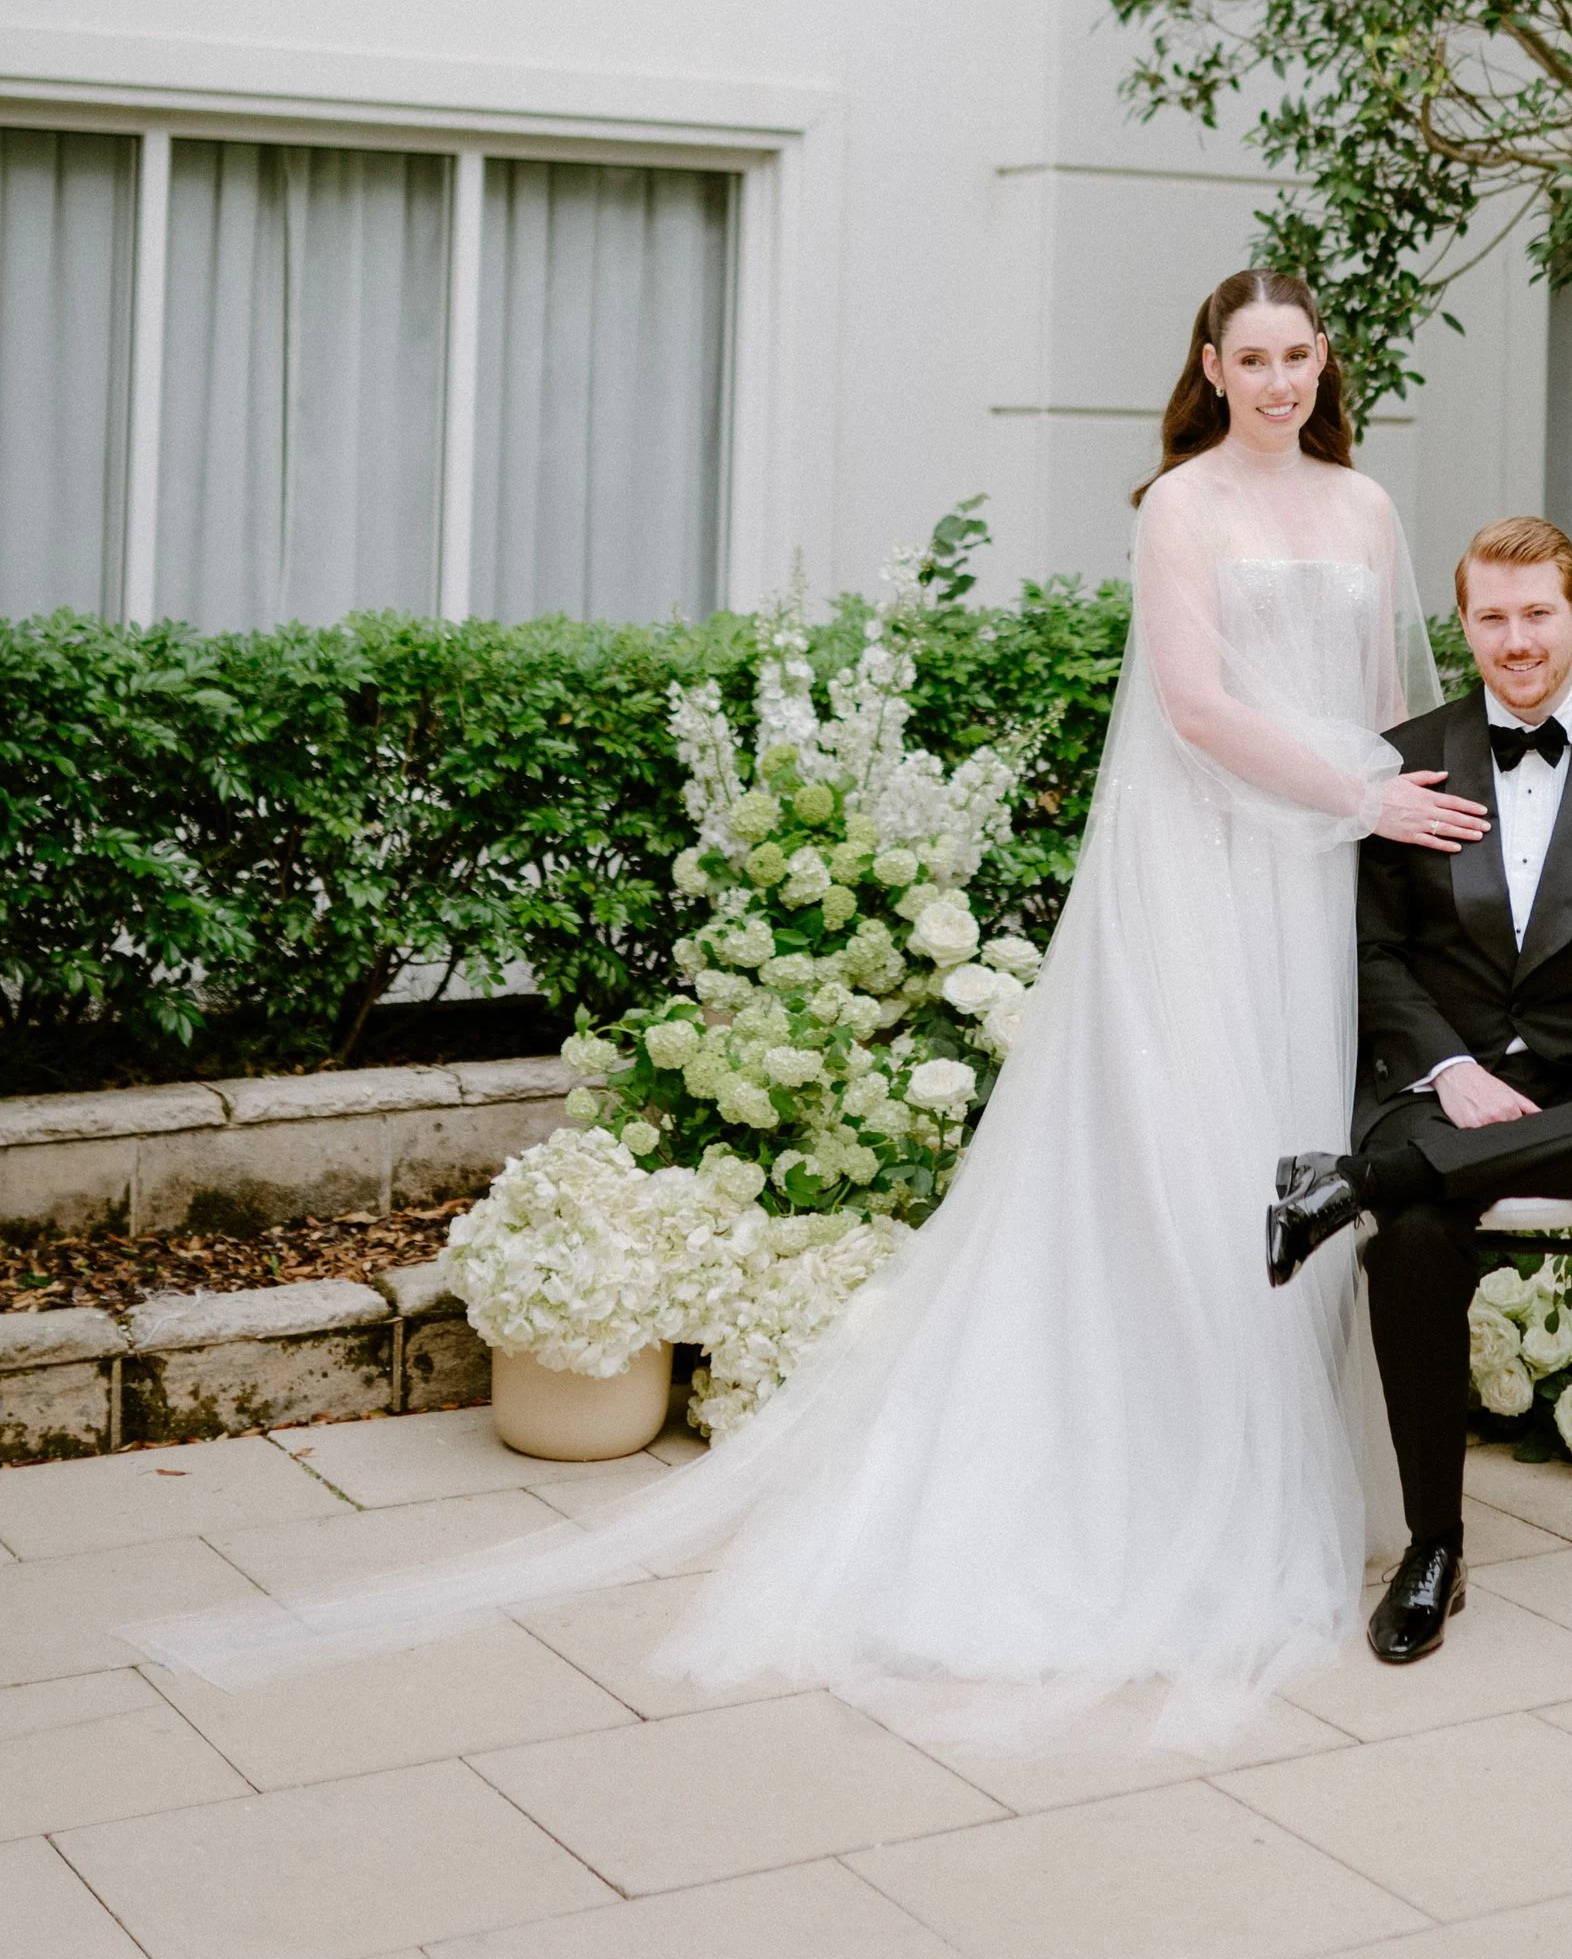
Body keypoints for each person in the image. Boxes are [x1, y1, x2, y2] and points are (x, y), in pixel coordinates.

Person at [151, 269, 1474, 1753]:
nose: (1281, 380)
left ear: (1323, 366)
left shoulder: (1363, 509)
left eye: (1302, 355)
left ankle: (1285, 1462)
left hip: (1308, 884)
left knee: (1297, 1154)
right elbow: (1195, 707)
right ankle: (1171, 1479)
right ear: (1210, 367)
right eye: (1254, 357)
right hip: (1202, 872)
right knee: (1190, 1164)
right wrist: (1357, 787)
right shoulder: (1179, 506)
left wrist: (1384, 817)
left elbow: (1383, 708)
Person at [1268, 513, 1572, 1664]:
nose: (1517, 641)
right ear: (1465, 625)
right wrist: (1450, 1070)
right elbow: (1372, 952)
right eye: (1493, 618)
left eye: (1538, 615)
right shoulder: (1406, 758)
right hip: (1438, 1081)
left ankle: (1355, 1180)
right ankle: (1434, 1549)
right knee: (1417, 1235)